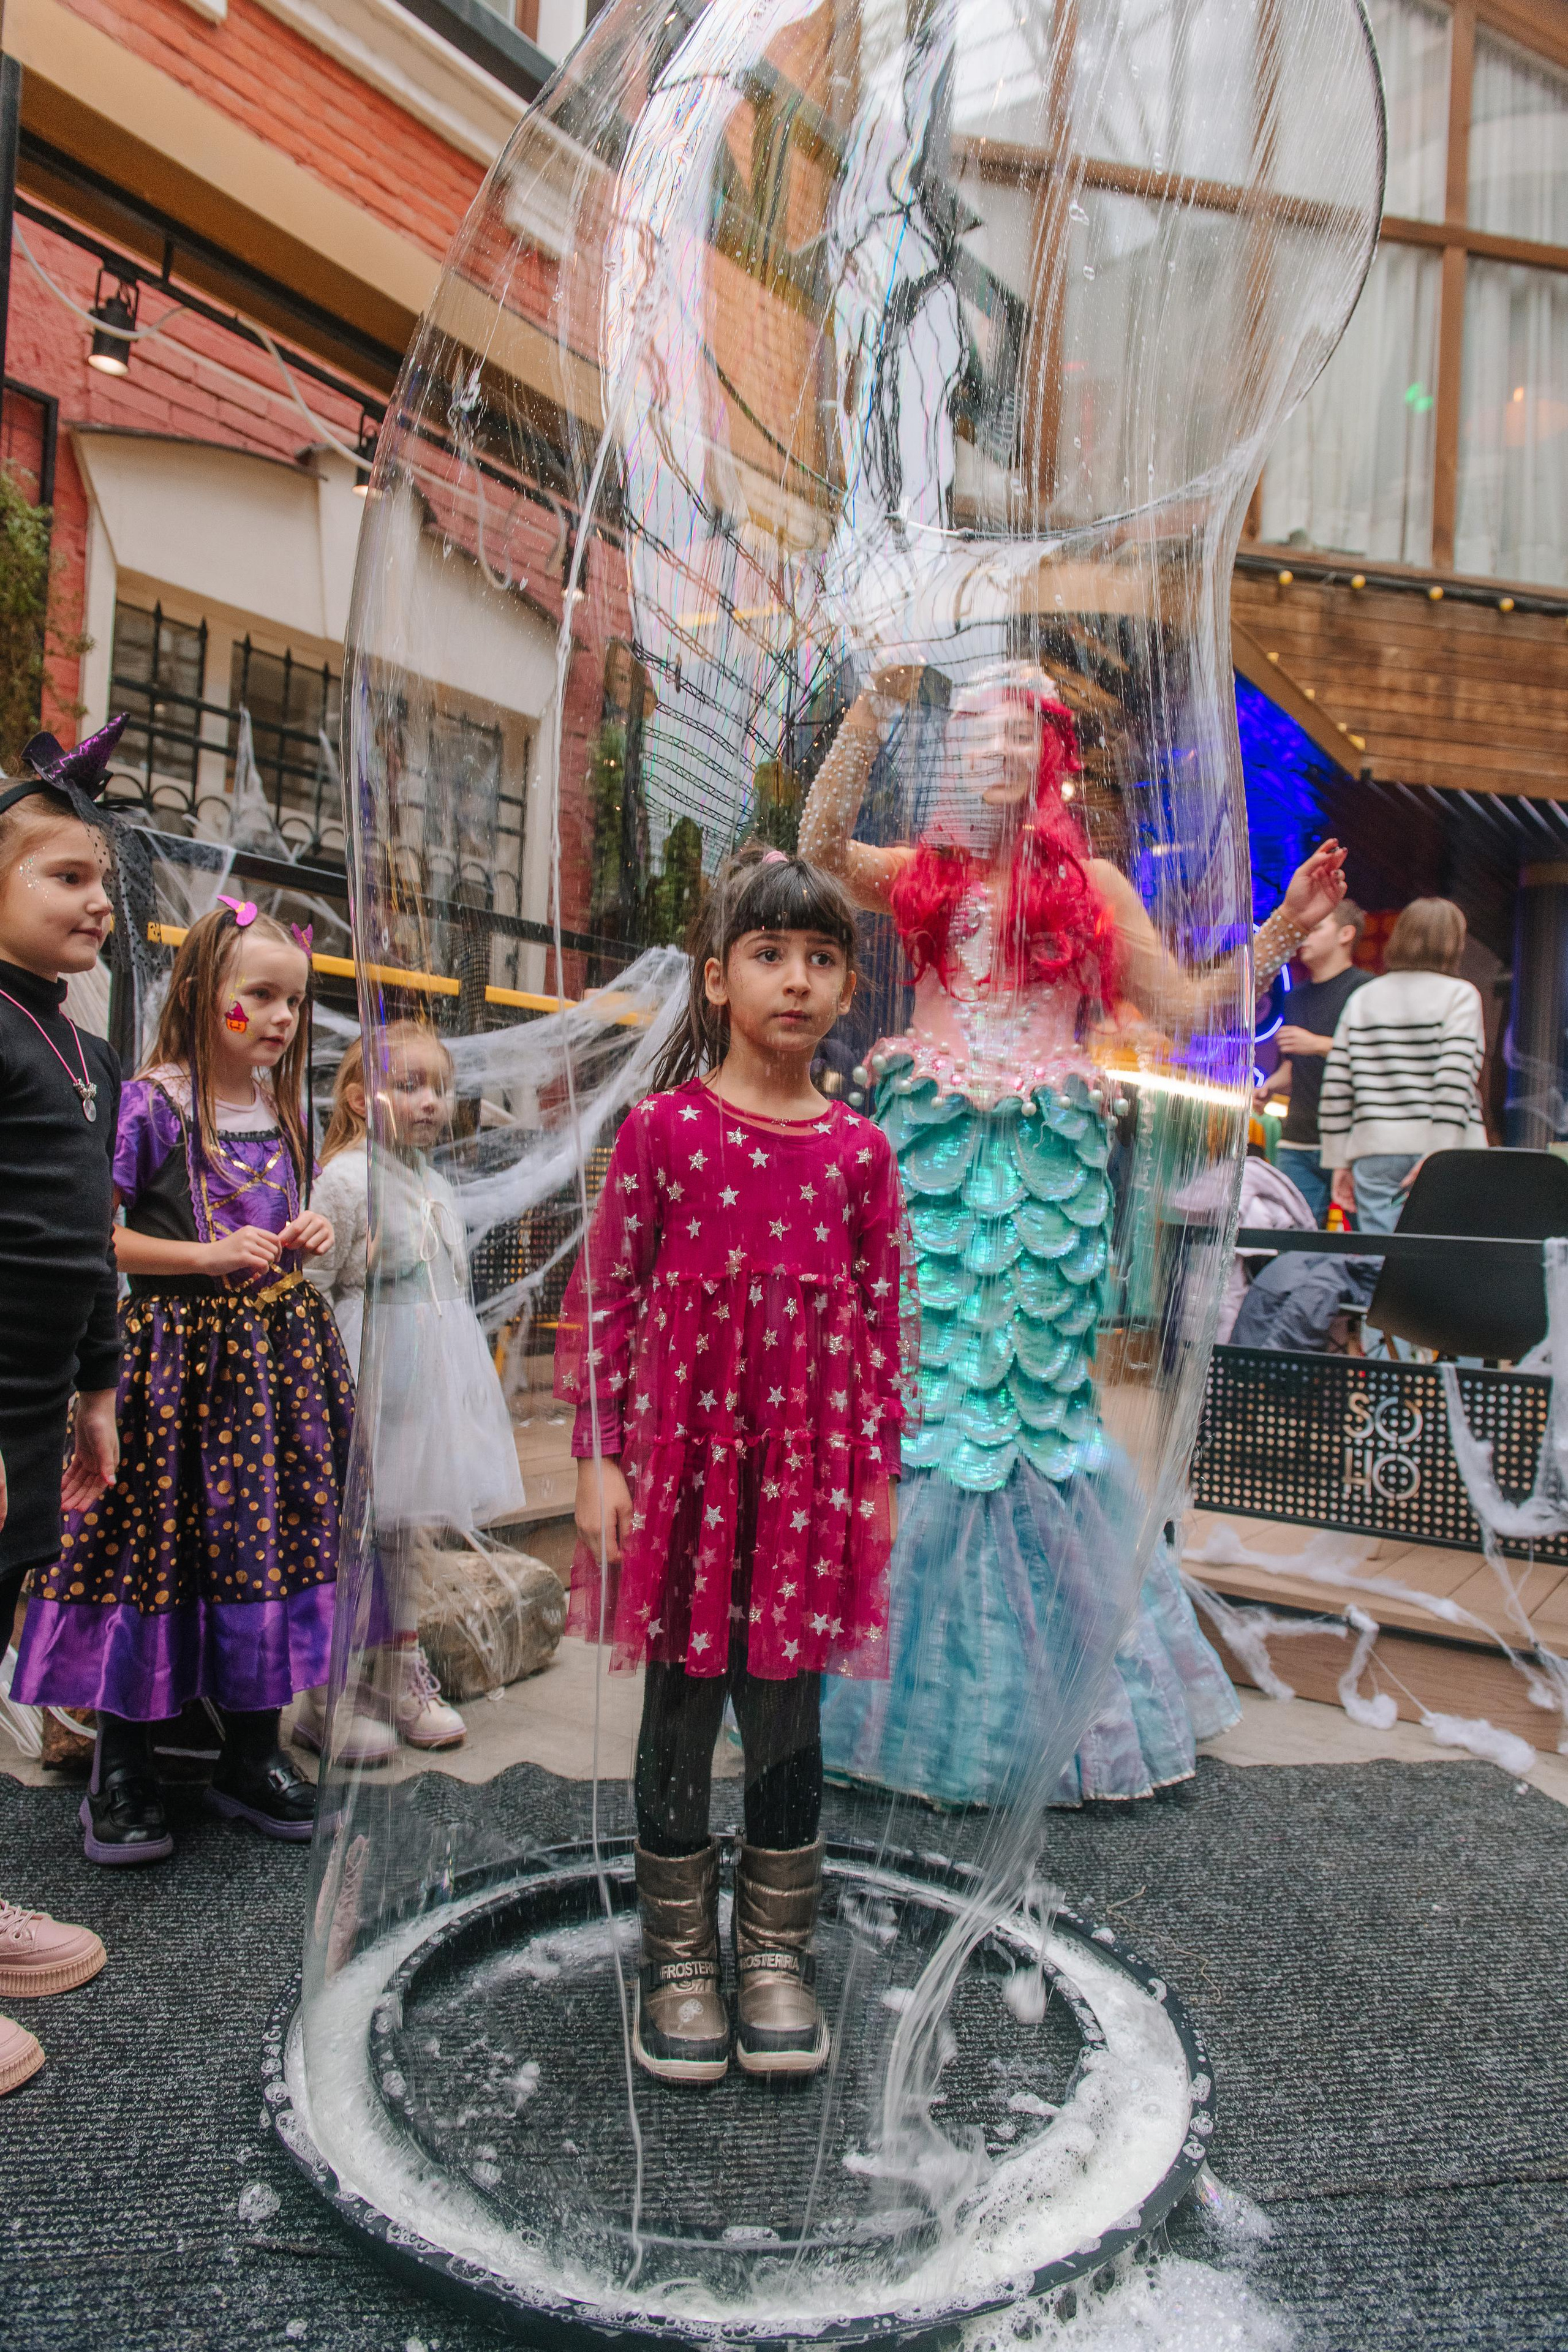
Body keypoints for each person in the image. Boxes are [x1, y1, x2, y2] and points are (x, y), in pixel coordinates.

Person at [800, 661, 1349, 1807]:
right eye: (975, 738)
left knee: (1034, 1405)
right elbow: (819, 852)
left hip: (1047, 1167)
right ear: (955, 760)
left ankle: (1047, 1706)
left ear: (1051, 758)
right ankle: (903, 1692)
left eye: (1017, 738)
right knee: (927, 1395)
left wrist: (1288, 925)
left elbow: (1198, 1008)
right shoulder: (927, 876)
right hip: (934, 1159)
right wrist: (868, 710)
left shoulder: (1097, 886)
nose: (995, 755)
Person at [556, 846, 909, 2084]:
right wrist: (597, 1456)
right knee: (680, 1702)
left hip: (807, 1483)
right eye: (768, 955)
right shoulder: (663, 1132)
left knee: (786, 1709)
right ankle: (678, 1959)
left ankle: (771, 1950)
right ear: (716, 979)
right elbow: (604, 1299)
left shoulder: (861, 1152)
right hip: (683, 1476)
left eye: (821, 958)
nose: (795, 981)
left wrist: (875, 1477)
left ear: (848, 986)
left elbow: (878, 1324)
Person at [12, 900, 351, 1863]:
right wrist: (203, 1257)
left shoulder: (287, 1107)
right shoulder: (153, 1102)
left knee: (265, 1548)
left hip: (275, 1368)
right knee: (153, 1550)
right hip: (174, 1364)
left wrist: (307, 1234)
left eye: (295, 1000)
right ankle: (126, 1765)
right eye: (261, 997)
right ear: (206, 996)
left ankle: (253, 1751)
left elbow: (286, 1214)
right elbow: (98, 1232)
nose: (283, 1019)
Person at [0, 720, 125, 2088]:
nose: (97, 901)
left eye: (102, 879)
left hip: (39, 1400)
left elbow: (76, 1234)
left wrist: (95, 1388)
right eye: (63, 877)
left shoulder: (65, 1036)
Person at [298, 1027, 525, 1756]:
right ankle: (325, 1692)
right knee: (347, 1534)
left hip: (427, 1381)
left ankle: (396, 1669)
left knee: (403, 1531)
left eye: (439, 1088)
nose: (429, 1102)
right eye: (409, 1086)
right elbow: (312, 1290)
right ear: (363, 1100)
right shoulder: (345, 1179)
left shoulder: (432, 1179)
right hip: (367, 1380)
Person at [1320, 896, 1487, 1237]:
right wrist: (1438, 1153)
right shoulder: (1460, 995)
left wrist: (1338, 1160)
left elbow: (1337, 1084)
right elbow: (1454, 1079)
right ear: (1453, 942)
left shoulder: (1364, 997)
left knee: (1382, 1267)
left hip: (1376, 1149)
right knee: (1444, 1263)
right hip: (1449, 1151)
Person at [1257, 899, 1369, 1226]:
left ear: (1346, 934)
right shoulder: (1295, 998)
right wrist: (1269, 1087)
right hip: (1298, 1138)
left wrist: (1318, 1044)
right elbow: (1294, 1069)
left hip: (1351, 1142)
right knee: (1292, 1240)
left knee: (1367, 1245)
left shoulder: (1365, 991)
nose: (1304, 937)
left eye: (1316, 928)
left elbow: (1377, 1059)